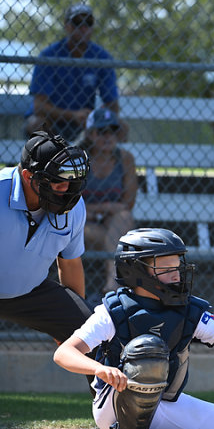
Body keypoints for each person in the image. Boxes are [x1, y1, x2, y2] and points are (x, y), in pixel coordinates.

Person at [53, 228, 214, 429]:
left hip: (164, 404)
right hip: (115, 408)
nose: (176, 275)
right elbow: (64, 353)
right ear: (136, 271)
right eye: (166, 269)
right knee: (147, 349)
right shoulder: (114, 311)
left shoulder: (187, 310)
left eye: (177, 267)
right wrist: (99, 369)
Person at [0, 130, 93, 344]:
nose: (66, 189)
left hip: (29, 292)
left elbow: (70, 265)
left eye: (71, 181)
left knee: (92, 336)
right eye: (57, 181)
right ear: (28, 177)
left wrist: (70, 330)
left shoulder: (73, 207)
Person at [25, 3, 127, 143]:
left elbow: (112, 103)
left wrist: (97, 117)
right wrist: (72, 115)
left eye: (88, 23)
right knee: (37, 124)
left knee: (121, 127)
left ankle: (107, 158)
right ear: (67, 26)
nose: (83, 28)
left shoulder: (102, 57)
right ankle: (52, 155)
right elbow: (39, 106)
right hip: (52, 119)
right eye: (77, 22)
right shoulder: (49, 55)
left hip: (84, 122)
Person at [77, 108, 138, 296]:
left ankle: (111, 285)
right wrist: (106, 207)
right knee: (116, 238)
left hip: (112, 222)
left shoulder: (125, 159)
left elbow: (127, 203)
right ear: (90, 134)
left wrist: (95, 210)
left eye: (113, 131)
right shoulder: (78, 159)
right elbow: (69, 204)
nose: (108, 136)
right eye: (102, 131)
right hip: (83, 223)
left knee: (124, 217)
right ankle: (114, 288)